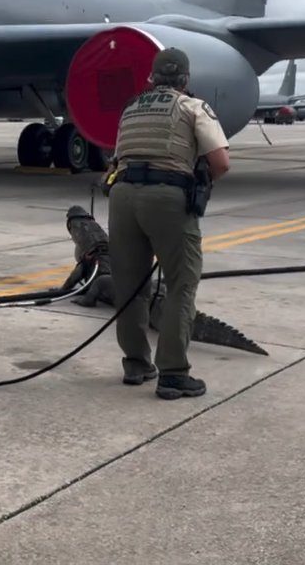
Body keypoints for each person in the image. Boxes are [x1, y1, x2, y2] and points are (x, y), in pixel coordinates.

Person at [105, 47, 231, 400]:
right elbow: (220, 162)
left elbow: (116, 158)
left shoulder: (131, 109)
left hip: (123, 195)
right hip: (167, 196)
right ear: (186, 79)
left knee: (129, 285)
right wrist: (198, 185)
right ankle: (174, 373)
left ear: (152, 78)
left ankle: (136, 364)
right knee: (181, 283)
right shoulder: (193, 107)